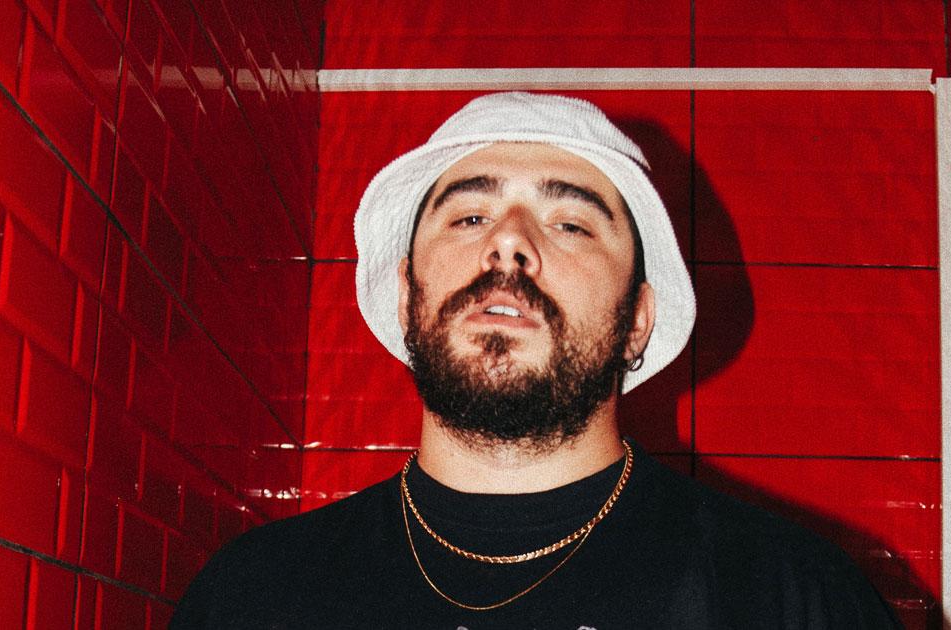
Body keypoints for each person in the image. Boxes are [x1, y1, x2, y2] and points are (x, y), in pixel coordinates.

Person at [171, 92, 901, 628]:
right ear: (405, 296)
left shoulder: (791, 597)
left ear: (638, 320)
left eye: (571, 223)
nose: (509, 242)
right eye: (470, 215)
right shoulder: (250, 597)